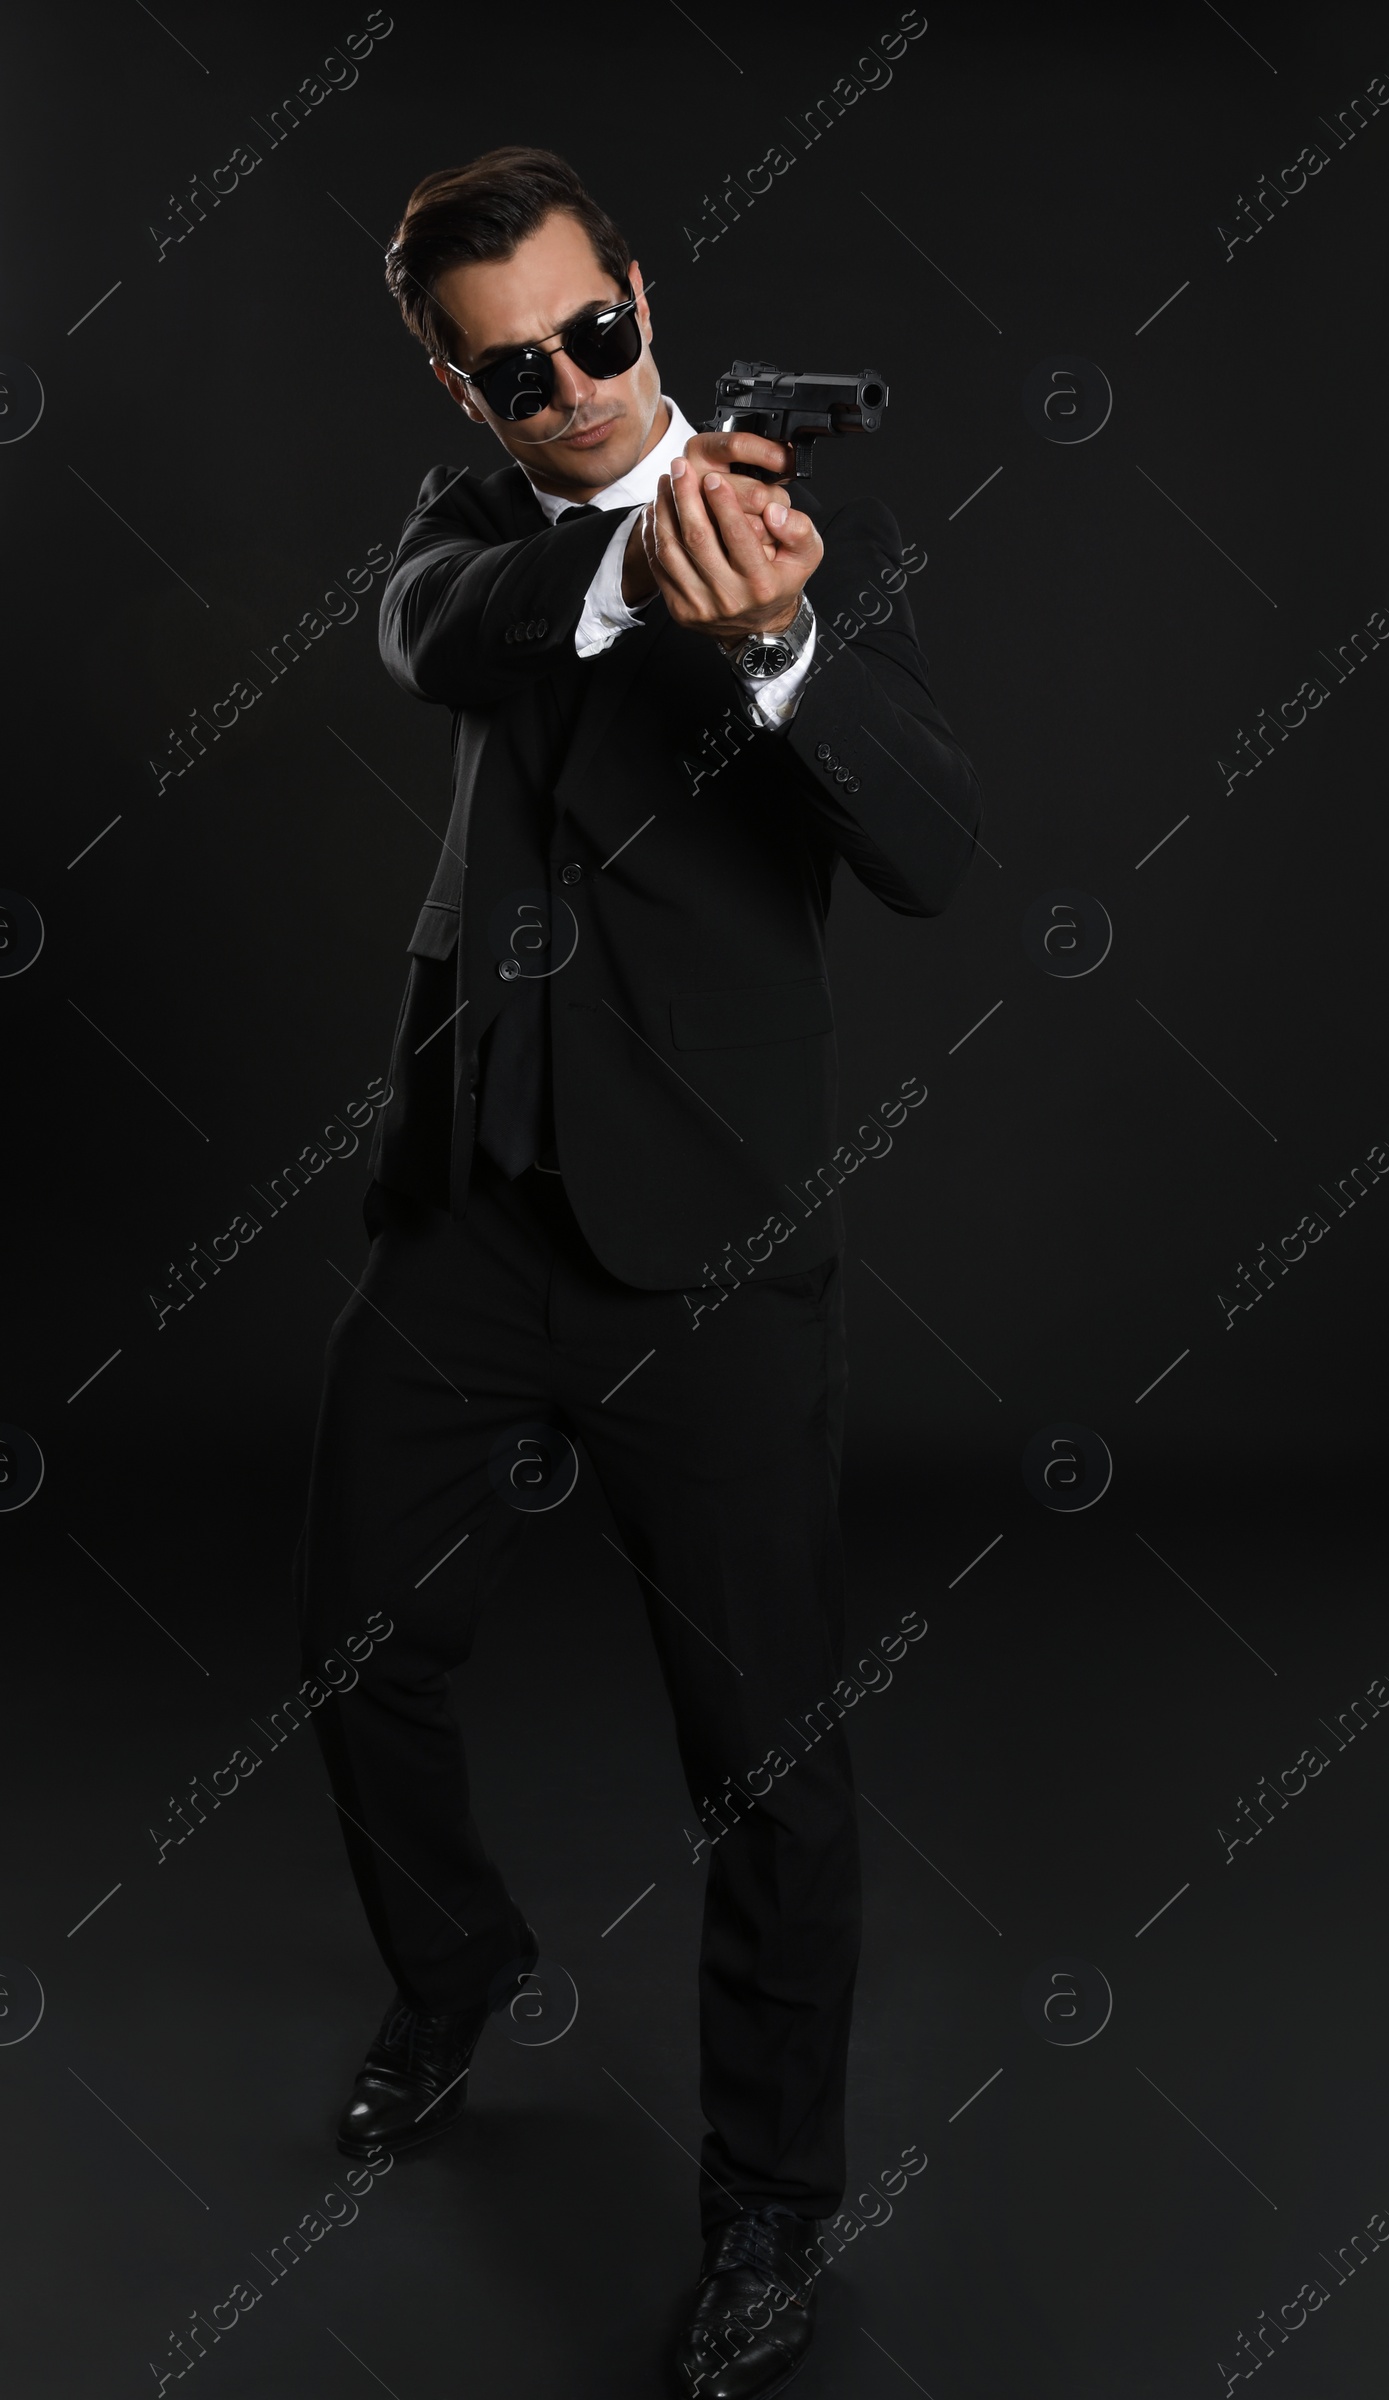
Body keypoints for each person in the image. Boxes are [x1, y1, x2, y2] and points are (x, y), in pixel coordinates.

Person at [292, 143, 981, 2398]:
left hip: (711, 1257)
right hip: (472, 1213)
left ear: (643, 300)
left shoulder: (808, 531)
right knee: (353, 1646)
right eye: (513, 373)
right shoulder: (476, 541)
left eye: (596, 338)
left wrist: (769, 638)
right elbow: (434, 641)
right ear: (460, 392)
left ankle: (771, 2217)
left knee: (767, 1773)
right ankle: (458, 1970)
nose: (573, 388)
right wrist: (620, 577)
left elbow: (935, 851)